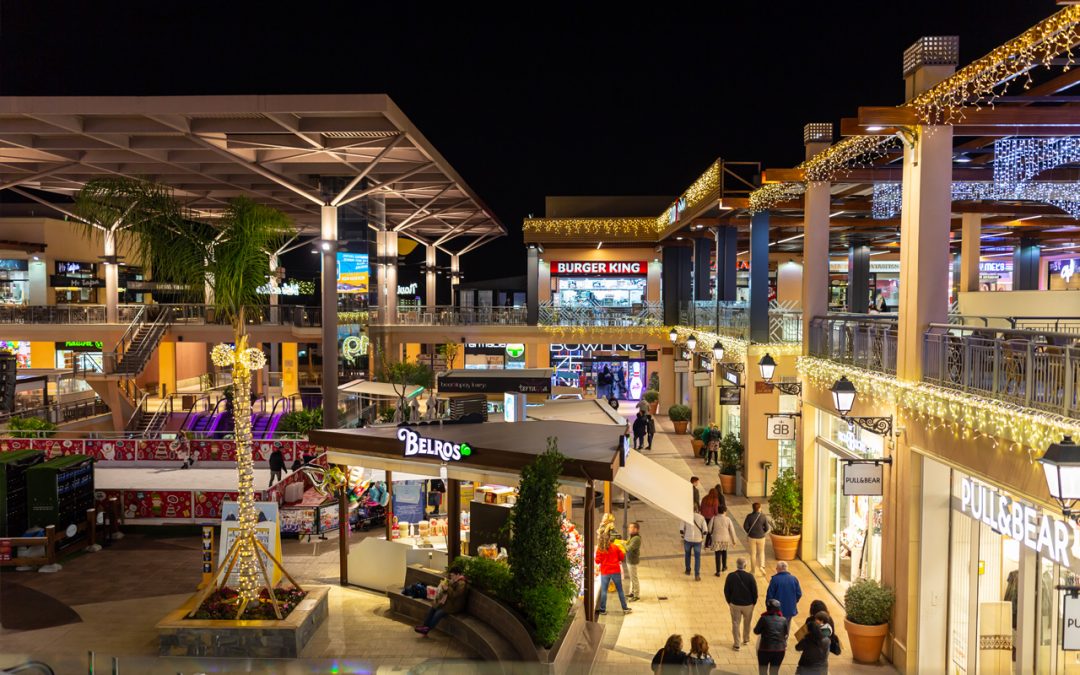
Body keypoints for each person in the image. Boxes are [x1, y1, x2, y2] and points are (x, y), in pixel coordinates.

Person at [414, 564, 469, 635]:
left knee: (438, 613)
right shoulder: (455, 581)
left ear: (458, 574)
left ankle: (427, 629)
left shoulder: (462, 583)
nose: (451, 577)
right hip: (449, 602)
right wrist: (445, 586)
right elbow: (448, 593)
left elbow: (455, 595)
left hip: (455, 606)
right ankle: (424, 626)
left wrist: (448, 588)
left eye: (452, 575)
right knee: (433, 608)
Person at [725, 557, 759, 650]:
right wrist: (753, 602)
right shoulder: (750, 577)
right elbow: (755, 591)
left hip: (735, 604)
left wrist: (729, 601)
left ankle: (736, 644)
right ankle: (746, 639)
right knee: (747, 622)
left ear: (737, 565)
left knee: (735, 623)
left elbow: (726, 591)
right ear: (745, 565)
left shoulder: (731, 576)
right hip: (748, 604)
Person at [595, 530, 632, 615]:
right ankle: (625, 608)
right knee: (620, 590)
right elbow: (622, 557)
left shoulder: (600, 550)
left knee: (604, 591)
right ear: (609, 539)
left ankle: (602, 609)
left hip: (605, 572)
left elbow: (597, 561)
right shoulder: (615, 547)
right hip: (615, 570)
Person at [754, 598, 789, 675]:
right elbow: (786, 633)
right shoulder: (783, 619)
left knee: (763, 672)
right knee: (774, 672)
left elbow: (756, 631)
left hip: (765, 649)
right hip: (780, 650)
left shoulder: (764, 618)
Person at [708, 505, 739, 575]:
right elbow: (732, 530)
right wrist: (734, 541)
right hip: (725, 539)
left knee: (717, 554)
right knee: (724, 552)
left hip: (716, 539)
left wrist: (712, 532)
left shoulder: (714, 518)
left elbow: (709, 529)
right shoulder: (728, 519)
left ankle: (718, 571)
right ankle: (724, 566)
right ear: (724, 511)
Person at [681, 504, 708, 581]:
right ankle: (697, 575)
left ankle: (688, 570)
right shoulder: (701, 518)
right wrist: (702, 536)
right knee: (697, 558)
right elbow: (705, 530)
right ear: (697, 509)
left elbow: (681, 529)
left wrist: (683, 536)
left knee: (687, 555)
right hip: (698, 540)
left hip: (687, 539)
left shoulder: (685, 517)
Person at [743, 502, 771, 575]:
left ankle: (753, 570)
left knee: (753, 554)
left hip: (752, 537)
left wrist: (749, 531)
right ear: (759, 508)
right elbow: (767, 528)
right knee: (761, 552)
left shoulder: (749, 516)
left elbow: (745, 526)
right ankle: (761, 566)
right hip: (761, 537)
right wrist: (762, 532)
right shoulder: (763, 516)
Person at [624, 521, 642, 602]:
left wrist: (622, 544)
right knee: (631, 577)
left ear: (636, 529)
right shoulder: (632, 536)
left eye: (631, 527)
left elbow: (628, 548)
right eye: (629, 527)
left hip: (632, 561)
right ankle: (632, 592)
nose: (629, 529)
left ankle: (636, 595)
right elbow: (628, 544)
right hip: (629, 559)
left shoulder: (636, 538)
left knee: (634, 578)